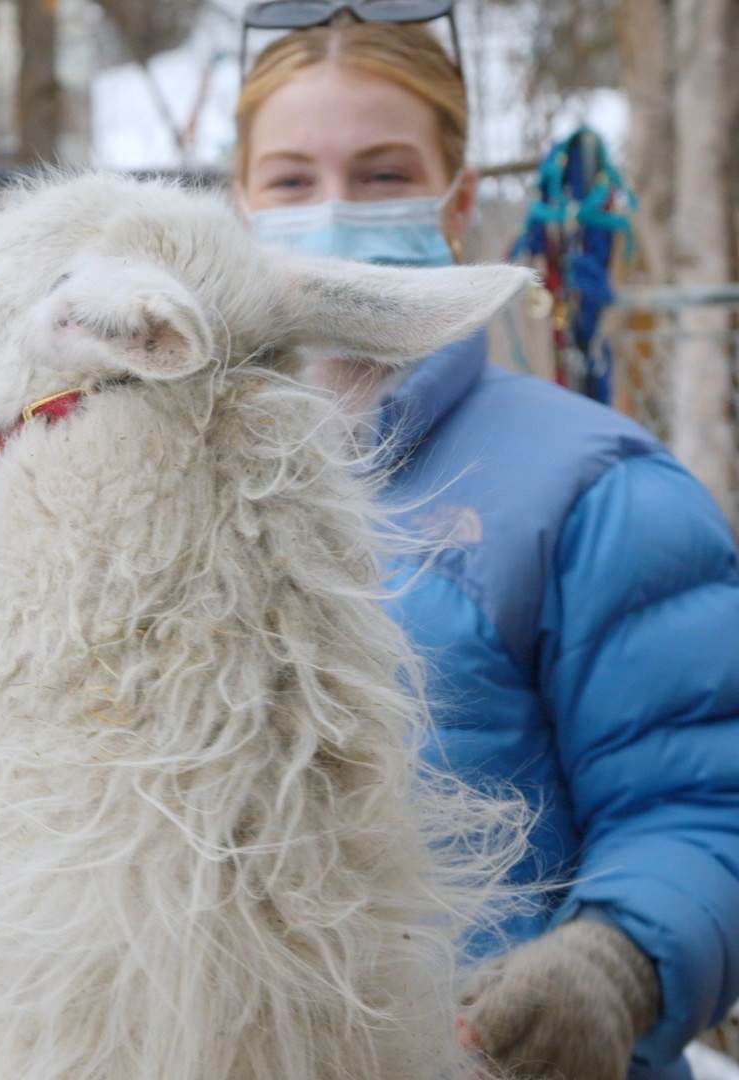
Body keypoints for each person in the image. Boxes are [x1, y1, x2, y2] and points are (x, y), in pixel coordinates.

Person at [233, 9, 739, 1080]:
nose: (332, 213)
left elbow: (700, 804)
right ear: (238, 203)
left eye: (381, 176)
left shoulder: (597, 489)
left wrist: (617, 963)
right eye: (289, 181)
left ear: (458, 203)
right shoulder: (176, 482)